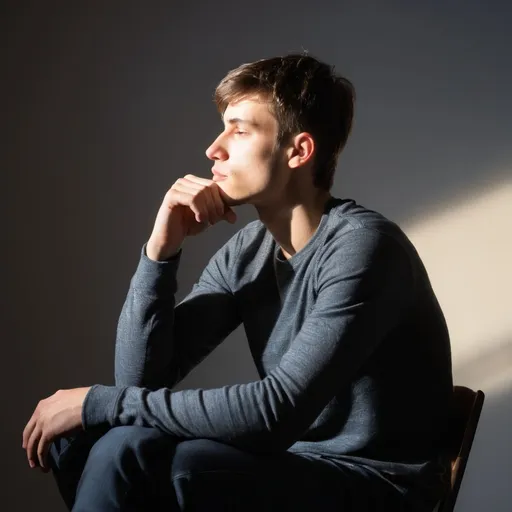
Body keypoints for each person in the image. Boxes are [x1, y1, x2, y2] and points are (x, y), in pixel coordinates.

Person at [22, 53, 453, 511]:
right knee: (89, 442)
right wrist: (159, 251)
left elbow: (275, 413)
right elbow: (141, 378)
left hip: (378, 487)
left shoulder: (364, 248)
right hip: (294, 468)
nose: (214, 148)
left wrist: (98, 403)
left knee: (156, 455)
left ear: (298, 151)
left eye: (240, 130)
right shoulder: (249, 251)